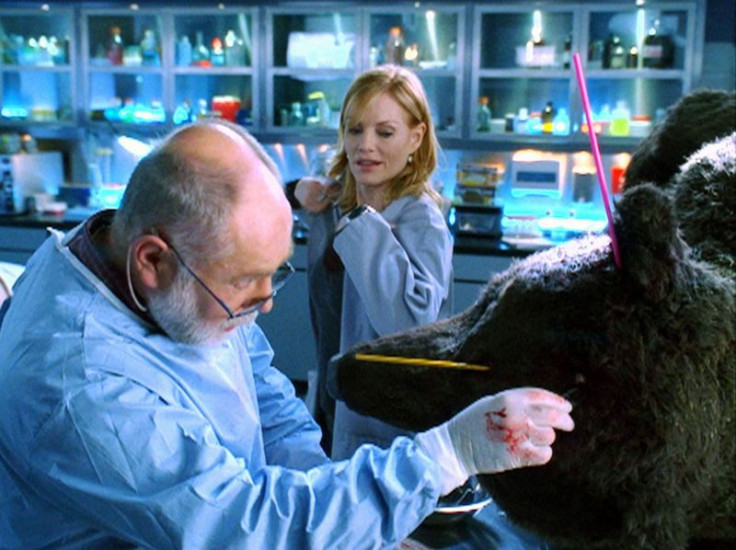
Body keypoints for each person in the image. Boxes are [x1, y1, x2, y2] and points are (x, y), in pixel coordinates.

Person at [0, 120, 574, 549]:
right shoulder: (80, 384)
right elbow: (245, 529)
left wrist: (348, 520)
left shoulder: (150, 264)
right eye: (245, 281)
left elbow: (264, 396)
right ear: (152, 260)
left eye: (273, 273)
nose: (268, 301)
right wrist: (445, 454)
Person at [295, 65, 453, 460]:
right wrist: (293, 190)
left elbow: (410, 327)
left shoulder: (421, 220)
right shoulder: (337, 205)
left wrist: (368, 227)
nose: (365, 145)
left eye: (384, 133)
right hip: (333, 405)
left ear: (416, 137)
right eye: (355, 130)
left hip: (388, 428)